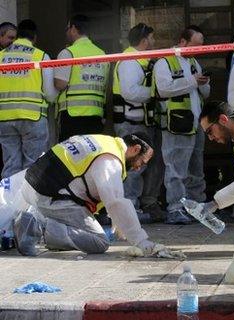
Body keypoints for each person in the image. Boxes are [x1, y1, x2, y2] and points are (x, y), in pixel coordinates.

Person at [13, 133, 181, 258]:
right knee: (98, 241)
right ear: (135, 149)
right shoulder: (110, 161)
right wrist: (142, 241)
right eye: (141, 162)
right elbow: (116, 202)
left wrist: (119, 223)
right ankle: (38, 226)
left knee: (82, 231)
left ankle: (37, 220)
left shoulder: (104, 142)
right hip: (50, 195)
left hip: (34, 187)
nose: (138, 168)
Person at [153, 25, 211, 224]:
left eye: (200, 47)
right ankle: (175, 208)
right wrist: (193, 80)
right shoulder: (164, 62)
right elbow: (164, 89)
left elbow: (205, 92)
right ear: (183, 42)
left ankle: (197, 206)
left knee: (196, 169)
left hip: (196, 123)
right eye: (194, 46)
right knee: (176, 169)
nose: (197, 50)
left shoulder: (194, 62)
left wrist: (202, 83)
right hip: (176, 123)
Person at [112, 23, 166, 223]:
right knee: (134, 167)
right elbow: (130, 92)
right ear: (144, 41)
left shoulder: (139, 60)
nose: (154, 42)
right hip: (131, 124)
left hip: (142, 122)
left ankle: (144, 204)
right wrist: (156, 93)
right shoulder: (129, 61)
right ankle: (130, 208)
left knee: (148, 165)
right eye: (152, 38)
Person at [0, 20, 57, 179]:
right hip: (33, 118)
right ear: (35, 38)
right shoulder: (41, 56)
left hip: (4, 118)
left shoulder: (1, 56)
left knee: (10, 164)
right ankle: (29, 204)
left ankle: (8, 202)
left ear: (17, 35)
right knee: (33, 165)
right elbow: (50, 94)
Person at [54, 15, 109, 141]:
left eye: (67, 28)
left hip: (72, 115)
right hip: (96, 115)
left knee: (70, 157)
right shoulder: (102, 54)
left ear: (73, 28)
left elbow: (60, 84)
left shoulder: (68, 53)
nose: (66, 32)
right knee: (91, 156)